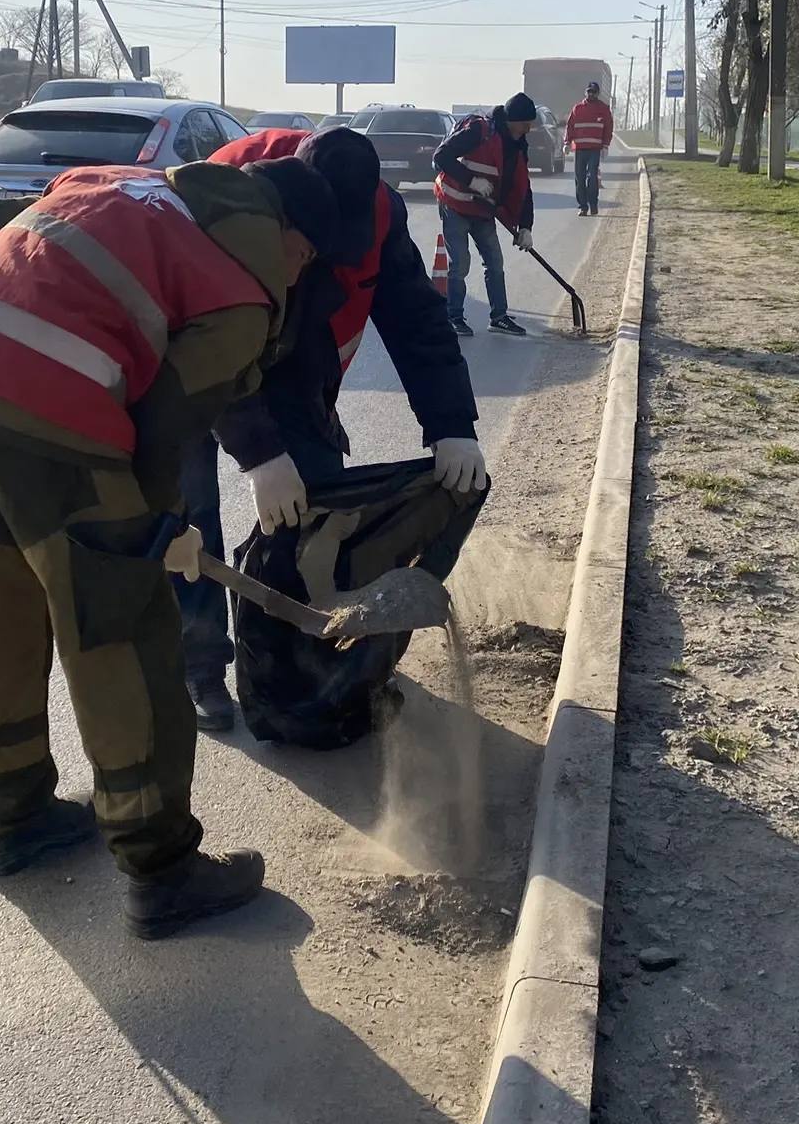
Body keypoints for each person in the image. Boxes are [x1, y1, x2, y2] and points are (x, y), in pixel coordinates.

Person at [0, 155, 338, 939]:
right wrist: (160, 528)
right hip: (55, 427)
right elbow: (164, 427)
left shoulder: (114, 189)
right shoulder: (242, 292)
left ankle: (11, 817)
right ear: (293, 241)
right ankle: (162, 866)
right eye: (306, 256)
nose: (299, 272)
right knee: (121, 634)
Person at [171, 127, 485, 732]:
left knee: (318, 514)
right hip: (192, 364)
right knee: (190, 516)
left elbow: (418, 319)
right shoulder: (232, 206)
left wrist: (452, 425)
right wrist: (260, 454)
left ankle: (314, 665)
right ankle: (198, 661)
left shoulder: (381, 211)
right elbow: (197, 340)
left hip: (297, 366)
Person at [432, 92, 537, 337]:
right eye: (526, 123)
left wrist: (526, 226)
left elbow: (523, 186)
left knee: (495, 262)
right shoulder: (480, 131)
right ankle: (453, 317)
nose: (529, 129)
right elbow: (442, 156)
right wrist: (472, 181)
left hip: (482, 209)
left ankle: (499, 317)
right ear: (513, 120)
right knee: (459, 263)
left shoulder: (518, 145)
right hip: (455, 204)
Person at [565, 80, 615, 216]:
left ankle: (593, 205)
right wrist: (567, 143)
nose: (591, 94)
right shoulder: (577, 109)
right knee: (580, 178)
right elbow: (570, 126)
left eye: (593, 92)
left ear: (597, 93)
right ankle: (583, 206)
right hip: (580, 149)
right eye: (589, 92)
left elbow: (608, 128)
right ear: (585, 92)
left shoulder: (603, 109)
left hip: (595, 149)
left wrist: (605, 145)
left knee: (592, 177)